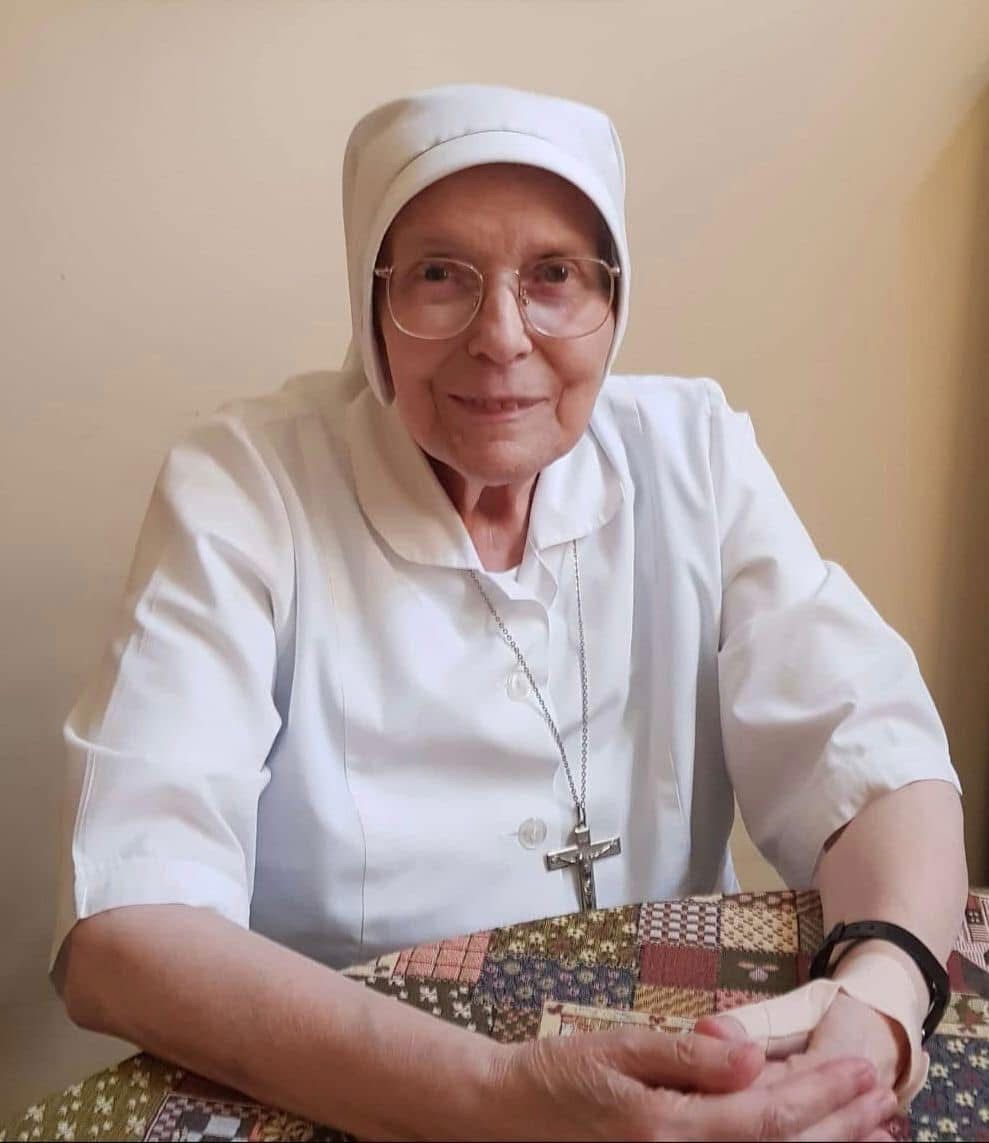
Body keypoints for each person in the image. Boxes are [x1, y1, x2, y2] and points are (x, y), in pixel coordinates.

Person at [49, 83, 966, 1140]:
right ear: (370, 300)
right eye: (439, 275)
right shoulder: (245, 488)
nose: (499, 337)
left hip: (693, 1054)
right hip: (362, 1089)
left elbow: (874, 760)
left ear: (613, 298)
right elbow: (123, 927)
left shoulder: (694, 454)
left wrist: (879, 1001)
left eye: (554, 276)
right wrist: (491, 1098)